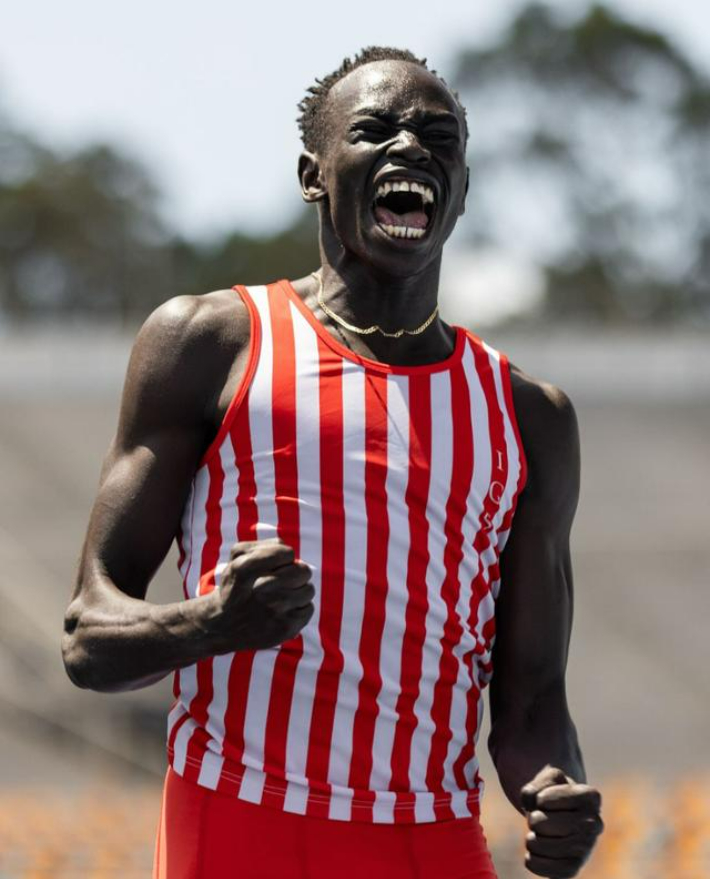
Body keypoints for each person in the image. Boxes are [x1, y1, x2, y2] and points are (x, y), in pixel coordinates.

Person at [62, 46, 603, 879]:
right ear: (314, 175)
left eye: (438, 138)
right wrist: (210, 623)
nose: (411, 150)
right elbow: (90, 638)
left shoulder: (530, 417)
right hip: (238, 820)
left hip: (432, 835)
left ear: (461, 191)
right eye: (376, 130)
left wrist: (553, 791)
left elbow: (532, 703)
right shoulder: (210, 344)